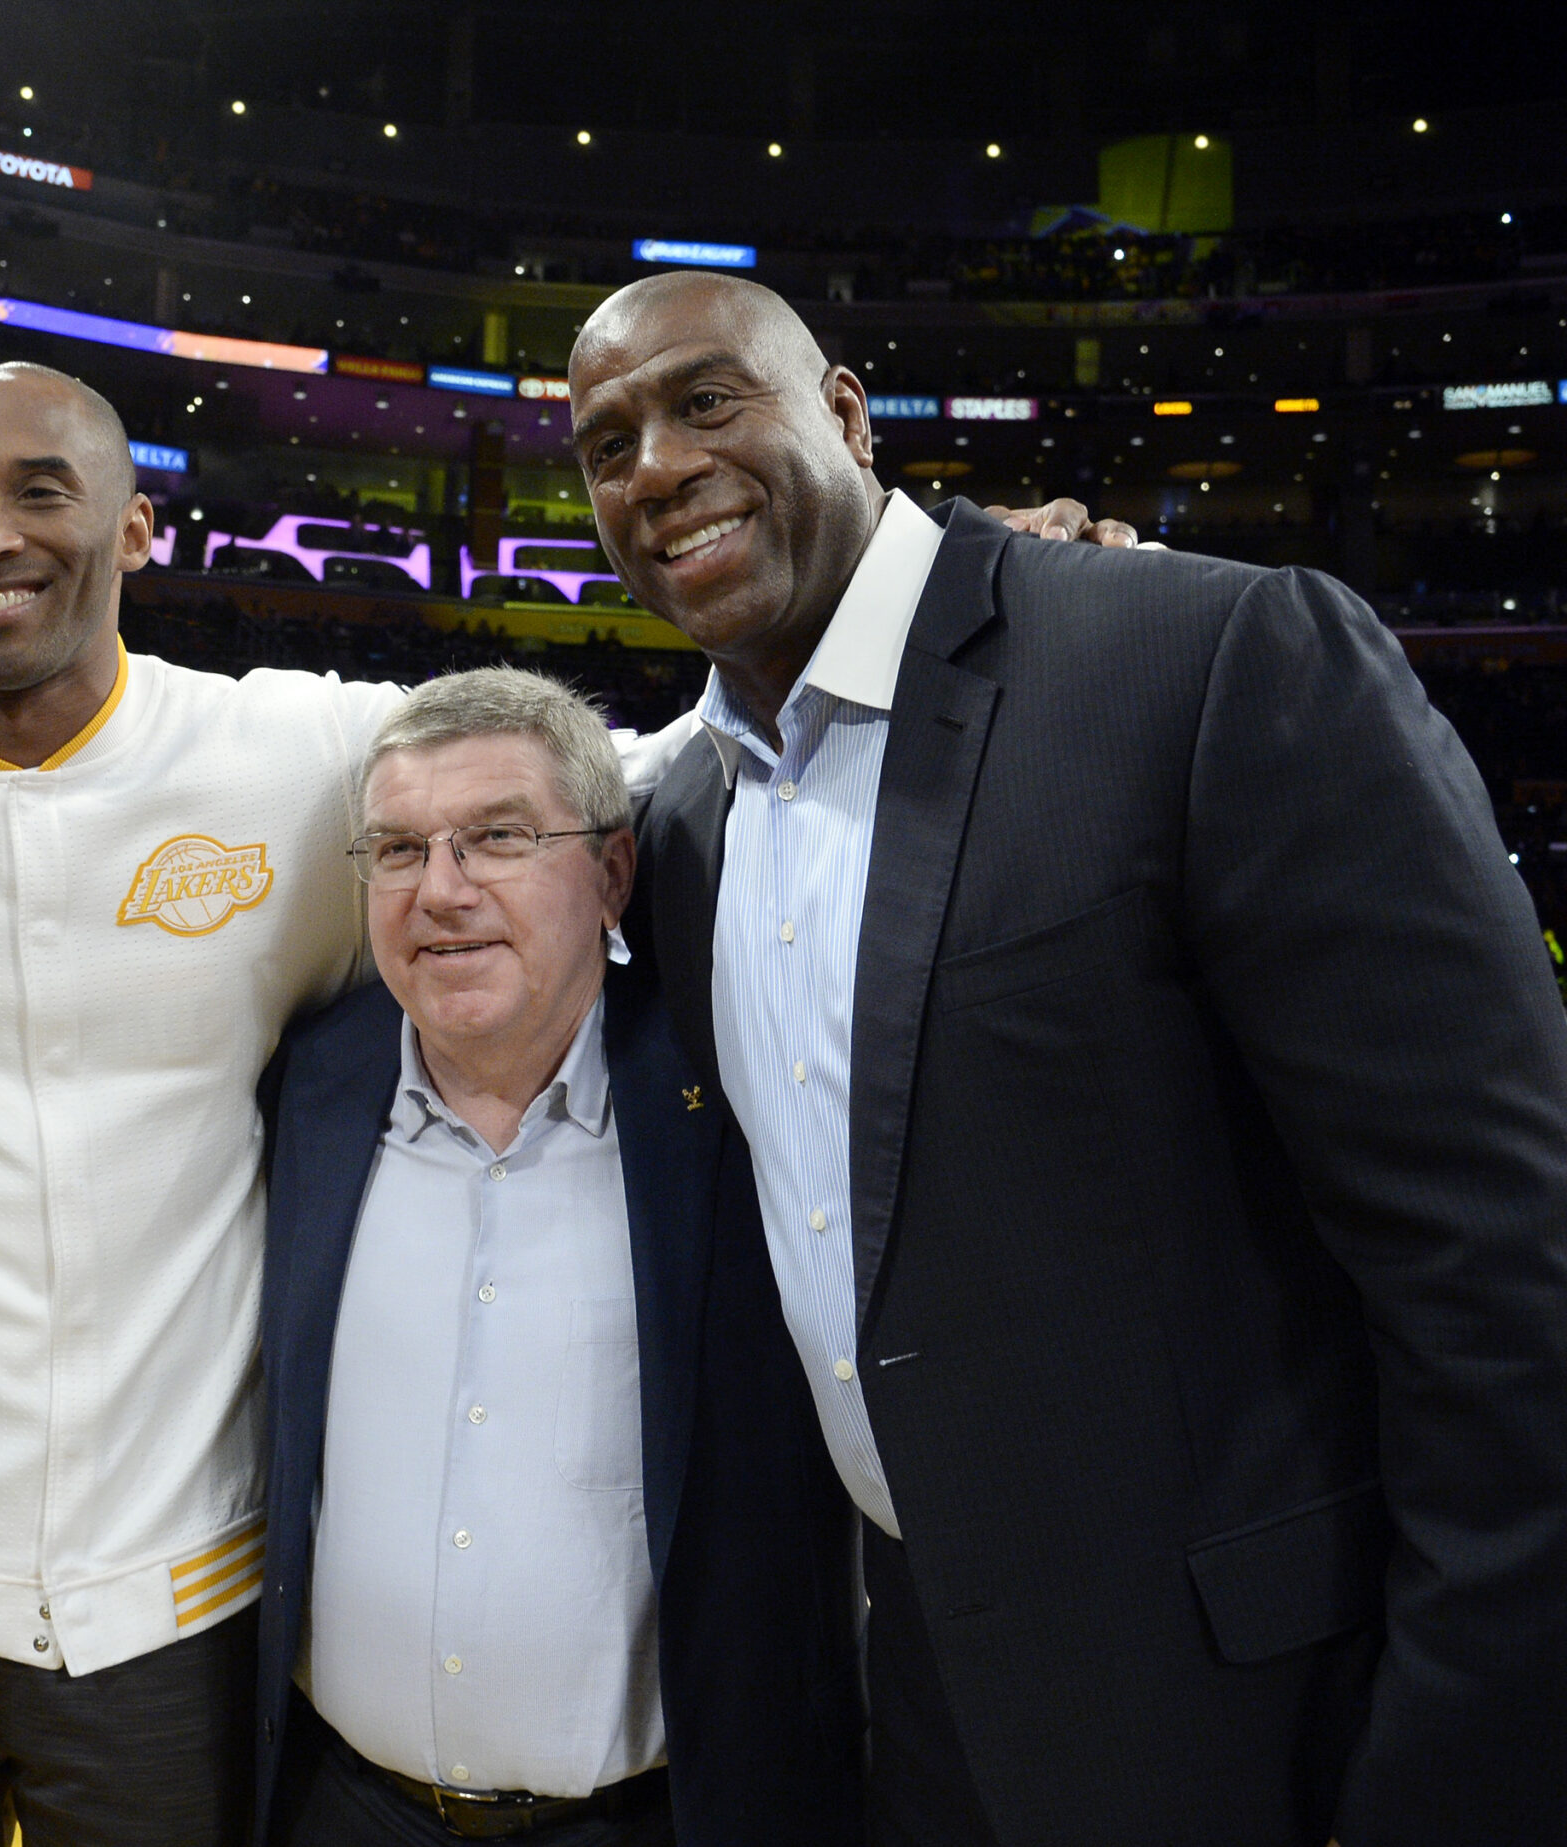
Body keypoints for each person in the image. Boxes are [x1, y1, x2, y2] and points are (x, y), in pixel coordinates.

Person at [0, 368, 1120, 1847]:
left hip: (182, 1609)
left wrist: (941, 625)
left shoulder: (291, 747)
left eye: (41, 490)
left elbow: (592, 779)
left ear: (139, 526)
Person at [568, 271, 1567, 1845]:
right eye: (607, 444)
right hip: (920, 1704)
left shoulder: (1204, 653)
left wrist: (1461, 1765)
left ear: (846, 416)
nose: (658, 468)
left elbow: (1504, 1271)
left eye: (705, 401)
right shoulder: (682, 817)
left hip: (1265, 1717)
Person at [257, 669, 857, 1847]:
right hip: (340, 1808)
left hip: (656, 1821)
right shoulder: (304, 1090)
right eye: (398, 850)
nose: (441, 892)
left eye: (497, 838)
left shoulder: (734, 1106)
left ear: (613, 875)